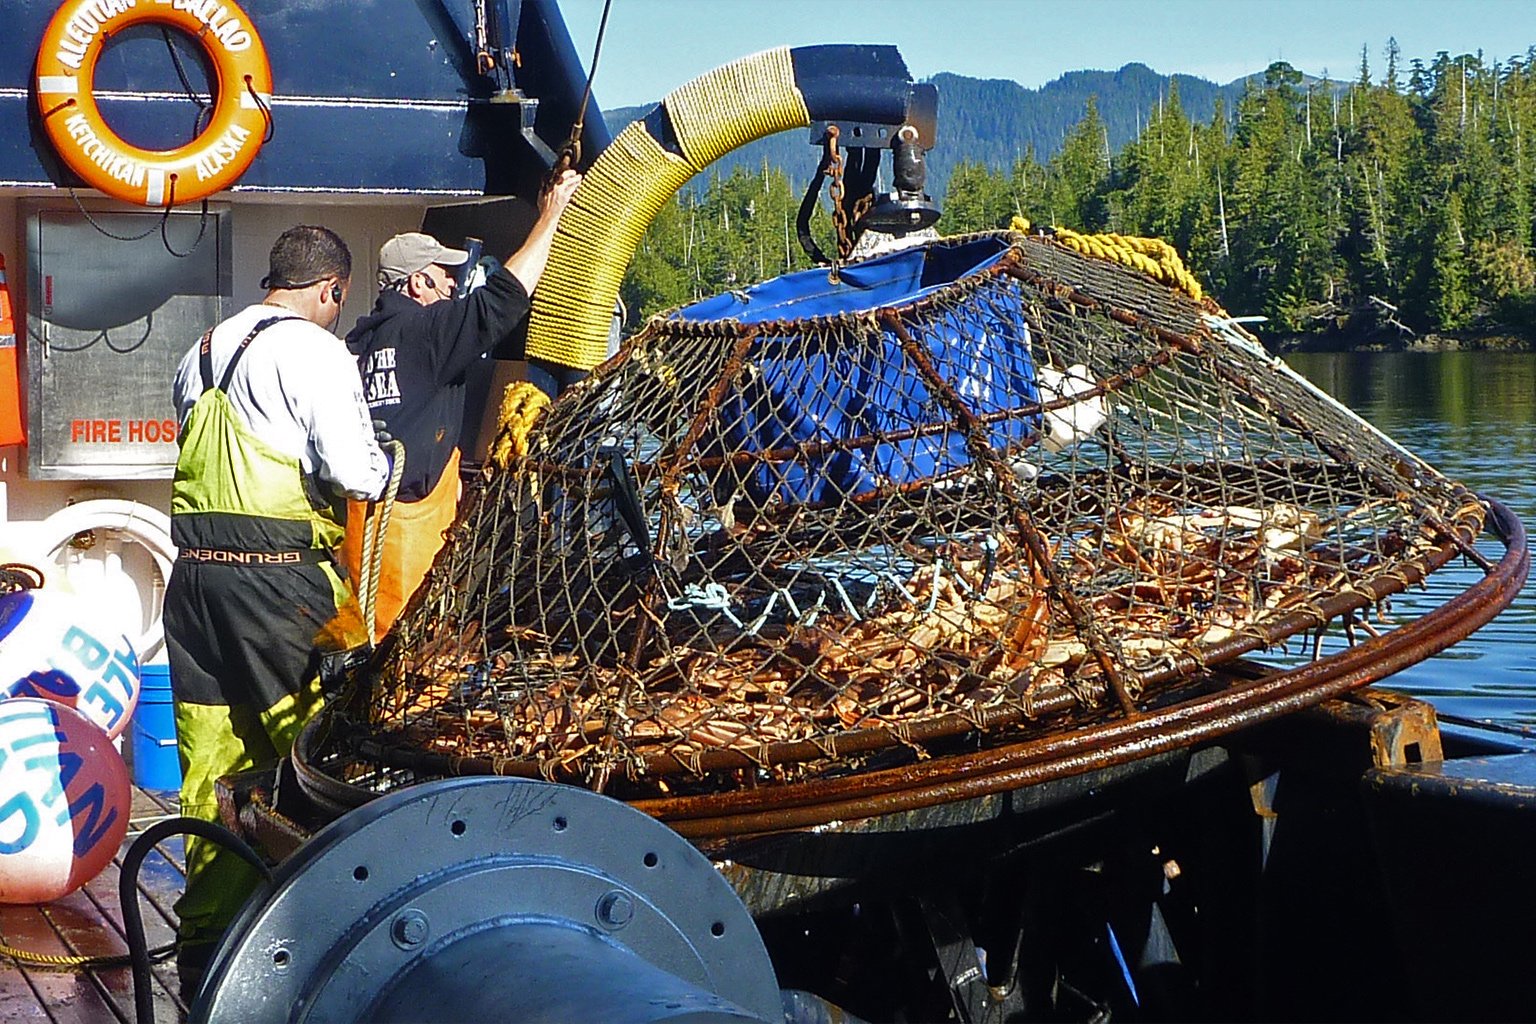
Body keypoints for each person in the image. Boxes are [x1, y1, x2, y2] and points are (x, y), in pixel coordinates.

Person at [163, 225, 390, 997]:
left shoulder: (197, 353)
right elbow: (356, 471)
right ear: (331, 290)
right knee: (324, 749)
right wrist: (387, 458)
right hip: (283, 585)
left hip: (193, 588)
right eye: (338, 301)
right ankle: (313, 947)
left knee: (212, 758)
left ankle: (208, 950)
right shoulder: (316, 351)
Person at [341, 169, 581, 642]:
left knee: (368, 652)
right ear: (415, 285)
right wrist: (550, 216)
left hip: (362, 535)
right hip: (405, 540)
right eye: (442, 278)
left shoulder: (366, 344)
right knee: (408, 658)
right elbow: (505, 299)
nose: (452, 286)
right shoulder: (425, 334)